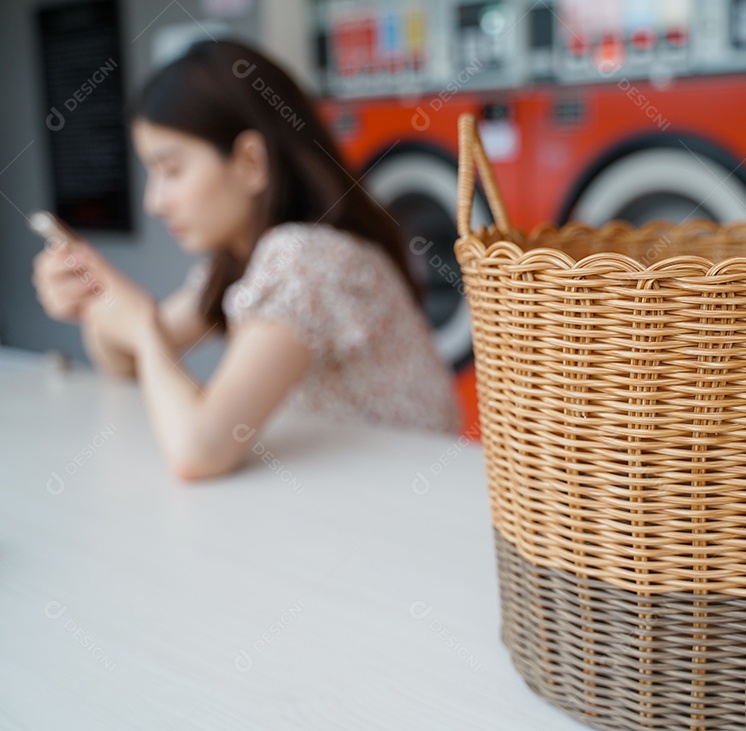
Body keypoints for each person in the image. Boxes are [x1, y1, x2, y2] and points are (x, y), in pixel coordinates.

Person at [32, 39, 460, 480]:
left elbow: (199, 451)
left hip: (406, 515)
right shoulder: (244, 260)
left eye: (172, 170)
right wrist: (98, 301)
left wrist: (141, 324)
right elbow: (124, 362)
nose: (154, 202)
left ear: (250, 162)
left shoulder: (306, 259)